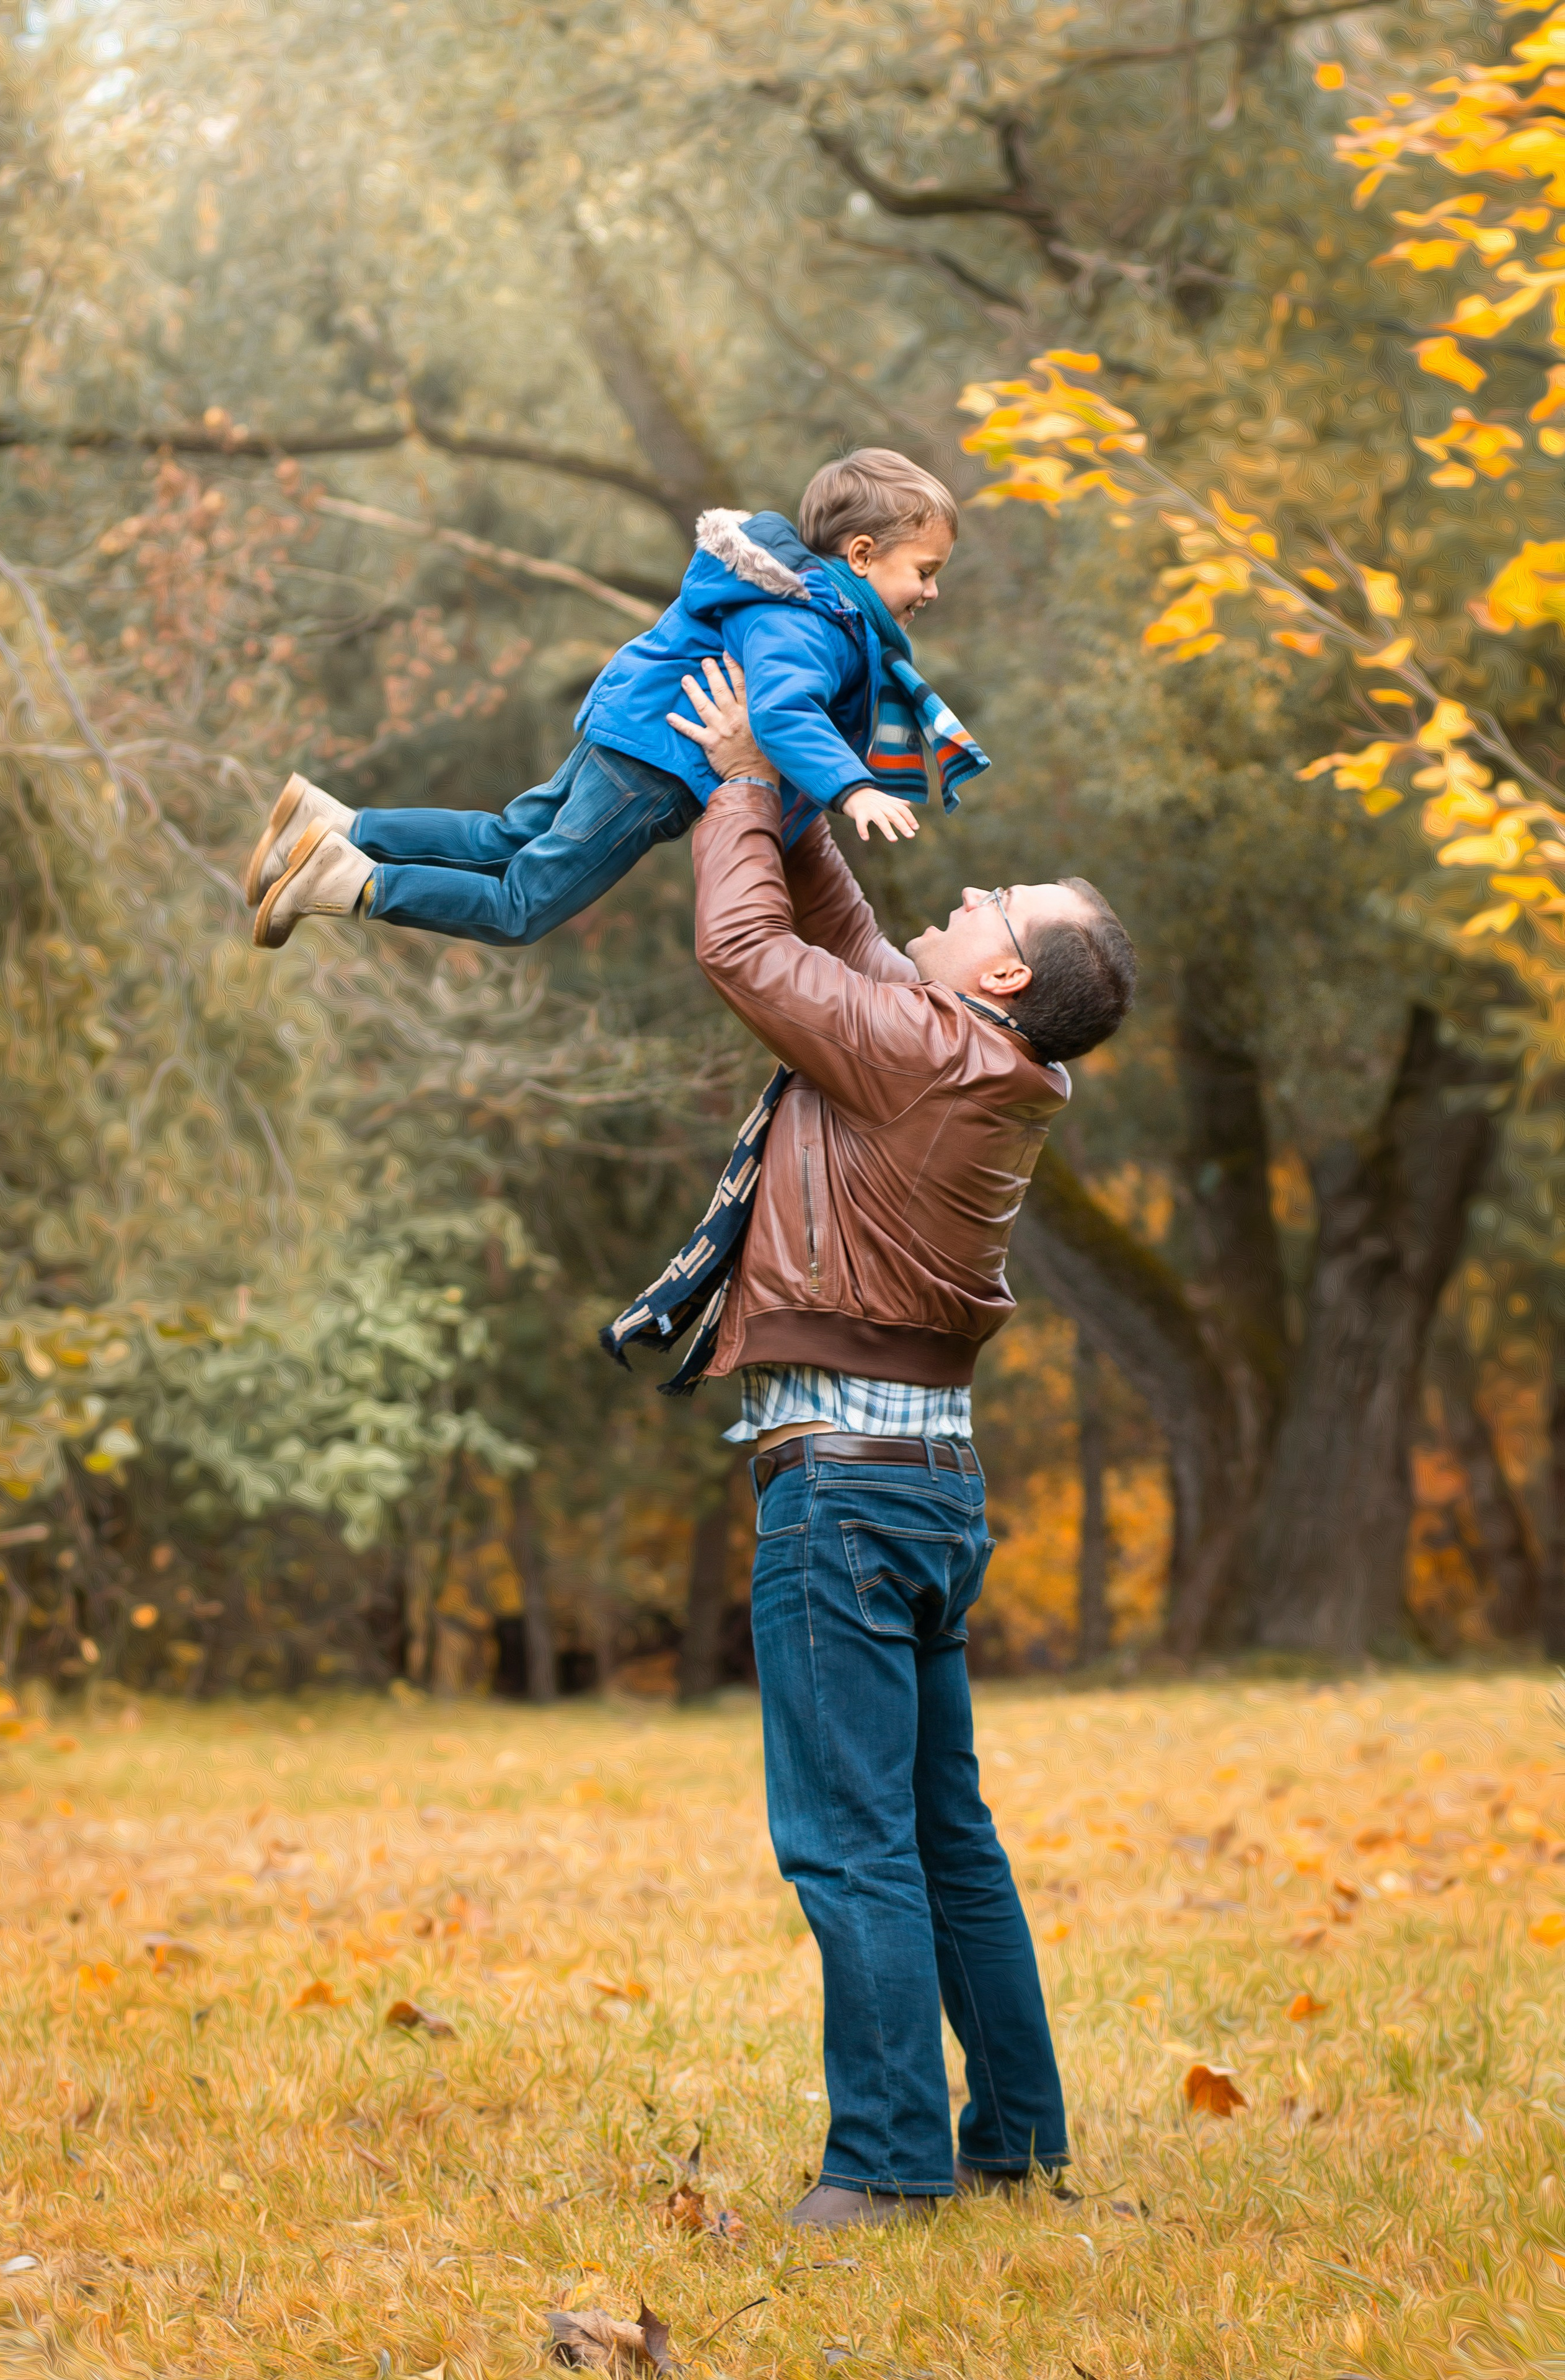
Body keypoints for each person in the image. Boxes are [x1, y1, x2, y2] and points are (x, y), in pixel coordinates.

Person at [664, 659, 1135, 2232]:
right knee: (946, 1835)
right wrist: (788, 787)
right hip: (923, 1488)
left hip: (846, 1501)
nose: (972, 889)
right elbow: (842, 940)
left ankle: (882, 2165)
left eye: (997, 901)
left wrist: (733, 780)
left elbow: (746, 948)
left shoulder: (923, 1055)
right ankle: (1012, 2134)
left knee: (848, 1841)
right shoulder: (971, 1054)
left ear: (999, 979)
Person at [242, 450, 990, 948]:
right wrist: (852, 788)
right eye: (924, 571)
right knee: (522, 906)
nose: (932, 591)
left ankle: (334, 822)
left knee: (506, 838)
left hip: (631, 732)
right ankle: (350, 881)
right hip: (658, 767)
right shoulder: (813, 622)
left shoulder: (799, 600)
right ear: (861, 555)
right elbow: (783, 710)